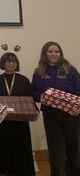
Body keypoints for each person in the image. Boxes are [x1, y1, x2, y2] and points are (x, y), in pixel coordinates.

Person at [31, 41, 80, 176]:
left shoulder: (71, 70)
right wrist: (39, 97)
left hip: (72, 116)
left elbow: (79, 91)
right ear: (45, 54)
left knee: (74, 150)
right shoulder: (38, 72)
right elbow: (33, 91)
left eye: (56, 51)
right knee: (56, 152)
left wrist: (78, 107)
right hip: (51, 117)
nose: (54, 54)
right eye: (50, 51)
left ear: (60, 53)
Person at [0, 52, 35, 176]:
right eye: (8, 61)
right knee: (6, 147)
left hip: (21, 122)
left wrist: (34, 112)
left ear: (17, 64)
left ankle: (22, 171)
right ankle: (7, 171)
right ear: (2, 63)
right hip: (4, 121)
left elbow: (29, 98)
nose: (11, 63)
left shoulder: (24, 80)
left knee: (22, 146)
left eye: (14, 61)